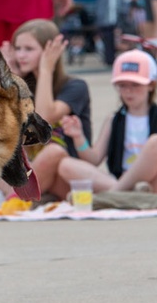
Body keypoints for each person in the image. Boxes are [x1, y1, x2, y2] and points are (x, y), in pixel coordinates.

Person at [57, 49, 157, 204]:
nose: (128, 91)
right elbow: (94, 159)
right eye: (122, 86)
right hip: (124, 180)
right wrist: (79, 137)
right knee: (65, 165)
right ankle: (126, 194)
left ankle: (112, 195)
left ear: (151, 85)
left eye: (135, 85)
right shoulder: (113, 119)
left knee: (156, 142)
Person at [7, 19, 94, 198]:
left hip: (66, 175)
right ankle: (20, 197)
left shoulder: (75, 86)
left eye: (29, 49)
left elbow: (44, 118)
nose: (20, 55)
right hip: (32, 172)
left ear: (50, 51)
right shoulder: (23, 86)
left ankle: (13, 200)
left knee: (53, 152)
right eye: (17, 48)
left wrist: (46, 69)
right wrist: (8, 78)